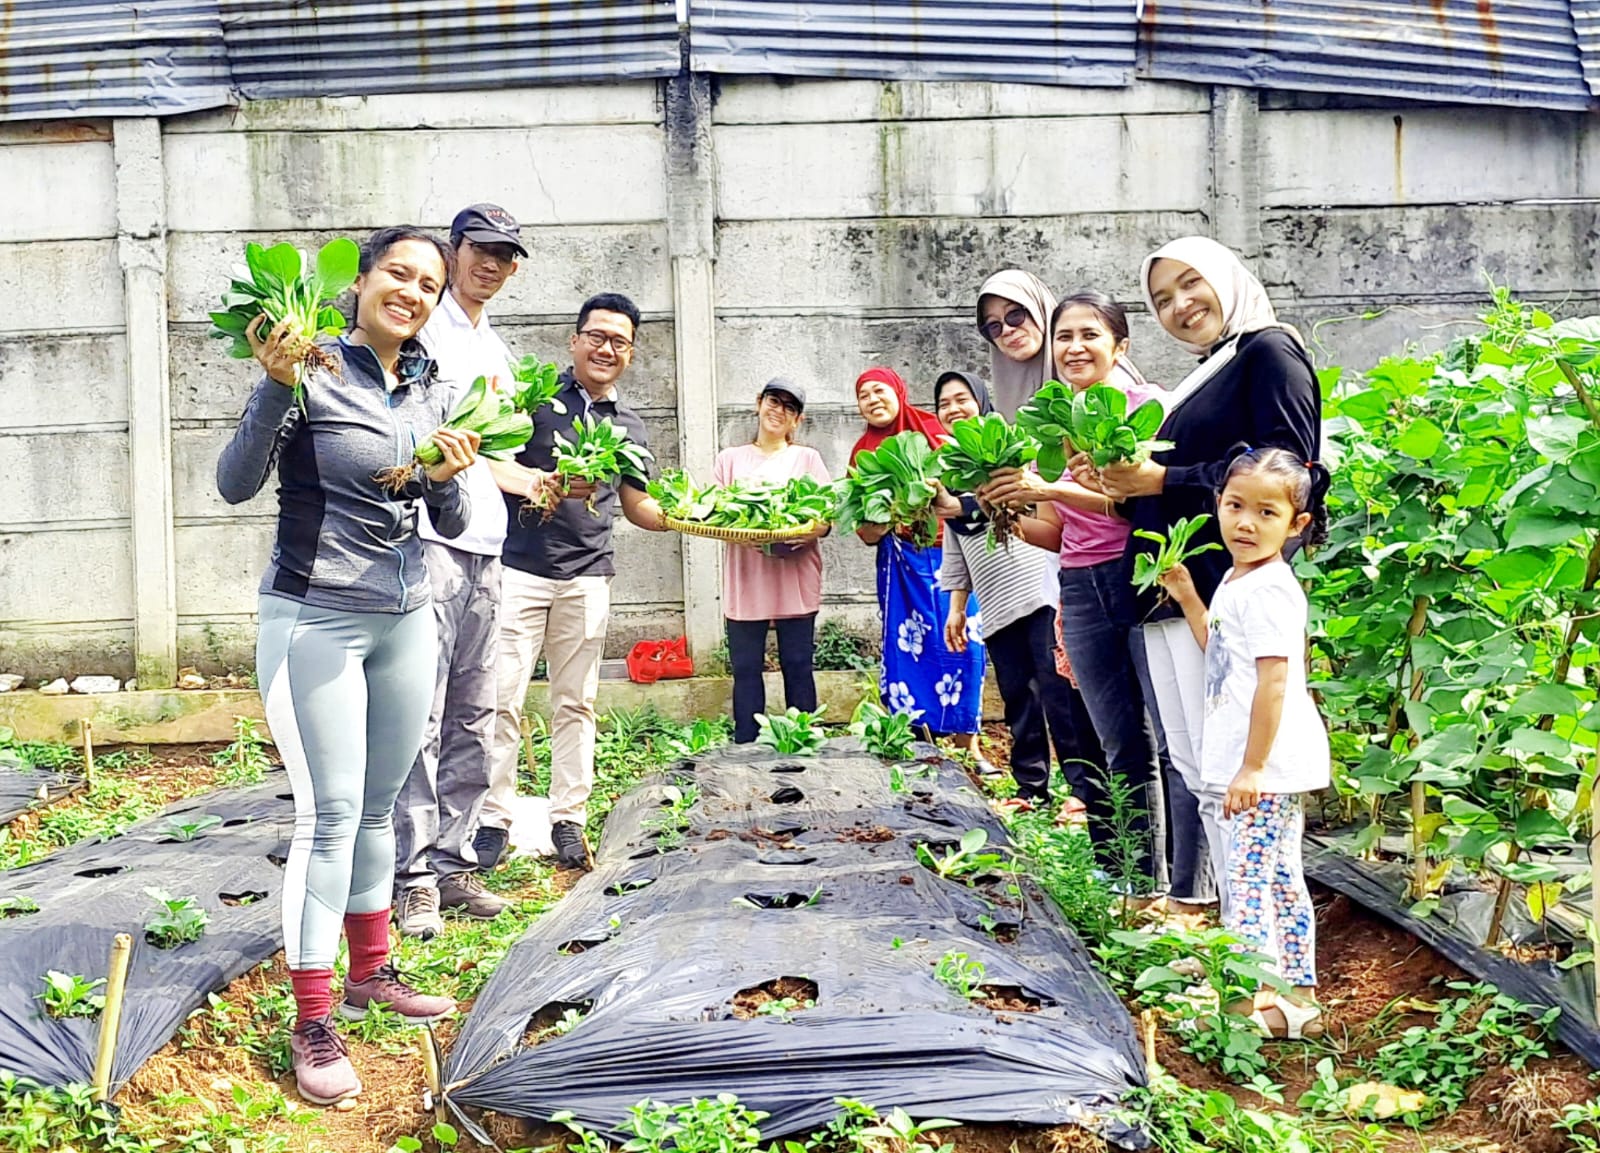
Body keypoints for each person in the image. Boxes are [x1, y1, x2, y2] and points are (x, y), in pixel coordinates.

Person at [216, 227, 476, 1106]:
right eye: (398, 273)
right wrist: (273, 385)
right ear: (360, 281)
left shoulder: (429, 383)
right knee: (327, 818)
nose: (412, 291)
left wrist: (444, 473)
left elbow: (446, 510)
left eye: (429, 284)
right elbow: (233, 481)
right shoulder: (311, 367)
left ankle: (372, 970)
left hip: (406, 619)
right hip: (313, 618)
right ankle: (313, 1018)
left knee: (376, 806)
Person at [1080, 237, 1322, 914]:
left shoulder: (1269, 353)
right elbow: (1183, 481)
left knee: (1224, 768)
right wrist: (1123, 486)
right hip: (1170, 587)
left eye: (1191, 284)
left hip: (1218, 588)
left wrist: (1162, 476)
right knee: (1193, 763)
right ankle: (1228, 922)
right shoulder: (1213, 368)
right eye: (1162, 299)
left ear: (1227, 278)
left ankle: (1250, 933)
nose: (1180, 305)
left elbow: (1292, 476)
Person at [487, 293, 669, 872]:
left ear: (631, 353)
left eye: (619, 341)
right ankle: (494, 818)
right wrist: (542, 481)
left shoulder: (630, 426)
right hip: (519, 568)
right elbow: (491, 462)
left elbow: (640, 506)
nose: (606, 348)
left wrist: (705, 518)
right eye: (596, 336)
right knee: (501, 700)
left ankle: (570, 818)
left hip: (588, 575)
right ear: (574, 340)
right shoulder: (536, 402)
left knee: (577, 702)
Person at [1156, 448, 1330, 1038]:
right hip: (1260, 765)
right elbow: (1222, 656)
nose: (1246, 523)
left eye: (1266, 512)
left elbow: (1277, 681)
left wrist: (1252, 767)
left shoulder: (1272, 590)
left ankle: (1239, 1007)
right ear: (1217, 507)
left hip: (1267, 765)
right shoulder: (1238, 579)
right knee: (1278, 875)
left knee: (1250, 880)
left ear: (1296, 525)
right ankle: (1297, 998)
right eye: (1235, 506)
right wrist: (1185, 596)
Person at [996, 295, 1163, 885]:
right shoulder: (1058, 424)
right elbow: (1058, 533)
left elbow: (1137, 507)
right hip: (1080, 583)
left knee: (1160, 738)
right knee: (1112, 740)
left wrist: (1053, 488)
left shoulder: (1151, 410)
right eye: (1063, 337)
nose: (1073, 348)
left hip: (1140, 577)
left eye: (1088, 334)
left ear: (1120, 345)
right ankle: (1126, 878)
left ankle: (1174, 882)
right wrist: (997, 509)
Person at [392, 204, 525, 939]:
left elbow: (486, 449)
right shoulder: (422, 329)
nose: (493, 265)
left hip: (487, 545)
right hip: (428, 540)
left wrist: (530, 481)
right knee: (425, 712)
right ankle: (412, 876)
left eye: (506, 256)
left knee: (477, 706)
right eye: (482, 250)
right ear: (456, 250)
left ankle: (453, 858)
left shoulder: (495, 346)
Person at [930, 370, 1104, 805]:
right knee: (1017, 699)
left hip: (1036, 593)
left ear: (983, 402)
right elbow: (955, 547)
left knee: (1058, 694)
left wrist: (966, 505)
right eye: (944, 404)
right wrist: (957, 607)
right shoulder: (950, 474)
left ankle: (1083, 792)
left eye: (962, 399)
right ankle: (1031, 789)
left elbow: (1035, 502)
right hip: (994, 603)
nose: (954, 409)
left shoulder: (1016, 452)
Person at [850, 367, 988, 757]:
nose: (874, 400)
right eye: (864, 395)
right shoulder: (863, 453)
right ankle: (918, 741)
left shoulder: (936, 432)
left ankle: (968, 744)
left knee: (965, 643)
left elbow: (967, 495)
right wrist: (890, 514)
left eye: (880, 391)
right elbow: (863, 529)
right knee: (907, 648)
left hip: (955, 555)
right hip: (900, 562)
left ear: (899, 391)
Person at [714, 378, 832, 744]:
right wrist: (743, 530)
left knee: (797, 665)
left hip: (795, 576)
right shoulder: (729, 459)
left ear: (797, 420)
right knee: (746, 668)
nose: (778, 411)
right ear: (758, 404)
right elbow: (715, 515)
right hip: (747, 576)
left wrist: (810, 530)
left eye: (788, 407)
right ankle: (747, 745)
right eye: (773, 401)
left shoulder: (807, 458)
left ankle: (801, 741)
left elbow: (827, 516)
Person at [976, 269, 1057, 419]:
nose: (1006, 330)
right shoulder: (998, 420)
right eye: (994, 325)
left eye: (1014, 314)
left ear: (1039, 310)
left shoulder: (1093, 385)